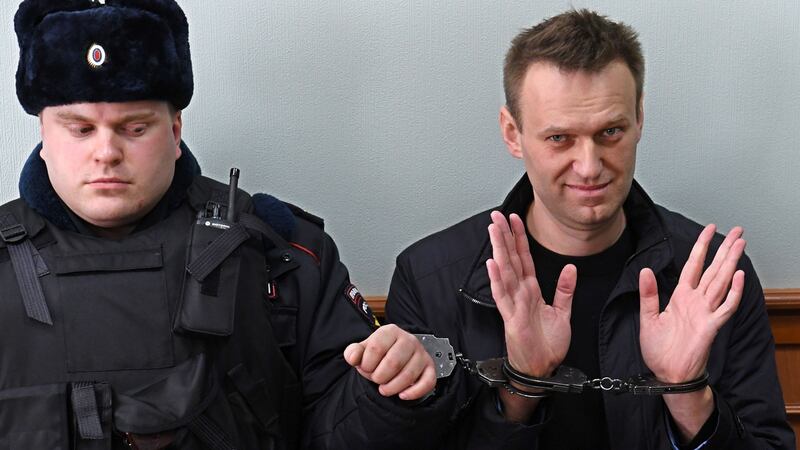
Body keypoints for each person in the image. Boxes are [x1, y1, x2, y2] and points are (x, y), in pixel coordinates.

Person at [0, 1, 450, 448]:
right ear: (44, 135)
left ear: (175, 132)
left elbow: (340, 432)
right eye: (80, 129)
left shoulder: (282, 254)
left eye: (134, 128)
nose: (106, 153)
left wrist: (393, 389)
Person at [385, 9, 795, 449]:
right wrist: (522, 386)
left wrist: (687, 391)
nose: (589, 166)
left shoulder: (715, 276)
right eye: (559, 138)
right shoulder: (428, 280)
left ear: (638, 119)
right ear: (512, 133)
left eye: (610, 131)